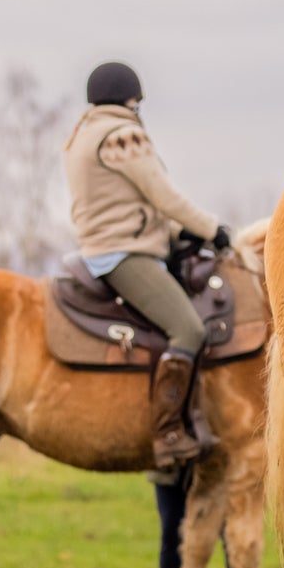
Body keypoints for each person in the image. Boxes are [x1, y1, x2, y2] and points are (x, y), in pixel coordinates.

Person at [63, 62, 230, 468]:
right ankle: (169, 433)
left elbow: (125, 202)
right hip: (125, 254)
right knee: (188, 328)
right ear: (131, 99)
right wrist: (212, 229)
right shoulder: (123, 134)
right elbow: (162, 195)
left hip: (109, 246)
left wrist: (174, 235)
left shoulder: (84, 133)